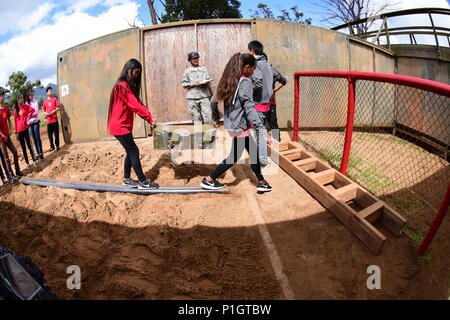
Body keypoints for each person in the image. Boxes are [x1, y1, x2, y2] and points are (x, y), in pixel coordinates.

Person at [201, 53, 272, 192]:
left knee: (253, 152)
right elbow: (250, 108)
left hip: (234, 125)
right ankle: (209, 179)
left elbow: (213, 101)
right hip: (240, 126)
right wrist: (262, 130)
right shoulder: (244, 82)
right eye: (252, 69)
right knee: (235, 156)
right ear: (246, 67)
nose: (252, 72)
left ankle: (262, 182)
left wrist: (216, 118)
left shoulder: (229, 80)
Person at [108, 58, 159, 190]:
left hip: (122, 126)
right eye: (135, 73)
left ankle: (126, 179)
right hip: (120, 126)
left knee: (129, 151)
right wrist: (149, 118)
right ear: (128, 69)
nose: (137, 76)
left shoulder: (126, 86)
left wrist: (150, 116)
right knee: (134, 150)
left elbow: (138, 102)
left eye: (138, 74)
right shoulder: (121, 86)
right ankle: (142, 181)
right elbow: (134, 105)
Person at [248, 40, 271, 167]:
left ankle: (262, 160)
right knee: (260, 131)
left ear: (252, 51)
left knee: (259, 133)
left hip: (258, 102)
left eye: (249, 51)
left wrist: (246, 91)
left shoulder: (256, 64)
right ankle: (261, 157)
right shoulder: (267, 64)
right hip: (265, 103)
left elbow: (257, 82)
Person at [181, 52, 213, 125]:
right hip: (192, 97)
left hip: (204, 96)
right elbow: (183, 84)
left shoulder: (203, 69)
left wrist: (206, 82)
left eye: (197, 58)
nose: (195, 60)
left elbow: (208, 79)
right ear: (189, 60)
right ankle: (198, 136)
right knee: (196, 119)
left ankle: (209, 136)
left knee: (208, 117)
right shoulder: (187, 71)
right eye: (193, 59)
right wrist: (192, 84)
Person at [263, 53, 287, 142]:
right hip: (260, 103)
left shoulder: (271, 70)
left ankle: (277, 140)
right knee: (261, 123)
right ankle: (263, 144)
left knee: (272, 121)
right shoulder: (254, 71)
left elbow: (283, 81)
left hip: (270, 102)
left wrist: (274, 91)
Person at [0, 91, 23, 181]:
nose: (3, 97)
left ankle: (17, 171)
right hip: (1, 139)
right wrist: (2, 135)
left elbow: (9, 119)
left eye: (3, 96)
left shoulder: (6, 108)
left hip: (7, 136)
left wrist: (10, 129)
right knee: (6, 158)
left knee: (15, 151)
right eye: (1, 96)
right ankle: (11, 175)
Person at [13, 94, 36, 169]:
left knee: (29, 145)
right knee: (23, 148)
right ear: (18, 100)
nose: (22, 100)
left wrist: (28, 117)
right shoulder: (16, 110)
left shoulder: (25, 106)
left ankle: (34, 161)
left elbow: (32, 110)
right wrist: (16, 132)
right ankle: (27, 163)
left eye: (22, 98)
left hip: (26, 129)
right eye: (20, 99)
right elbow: (15, 122)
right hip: (19, 132)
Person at [26, 89, 44, 160]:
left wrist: (29, 115)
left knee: (37, 138)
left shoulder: (35, 102)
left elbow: (36, 112)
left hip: (36, 122)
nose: (32, 96)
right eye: (30, 95)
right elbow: (26, 113)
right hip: (30, 124)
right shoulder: (26, 103)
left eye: (33, 94)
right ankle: (38, 153)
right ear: (28, 95)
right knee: (34, 139)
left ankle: (41, 153)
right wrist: (30, 114)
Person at [42, 87, 60, 152]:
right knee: (50, 135)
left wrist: (53, 111)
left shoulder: (55, 99)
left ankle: (57, 146)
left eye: (51, 91)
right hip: (49, 121)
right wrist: (46, 113)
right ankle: (52, 146)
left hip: (55, 120)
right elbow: (43, 110)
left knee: (56, 134)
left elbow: (58, 107)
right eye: (49, 91)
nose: (51, 92)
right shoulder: (45, 101)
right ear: (47, 93)